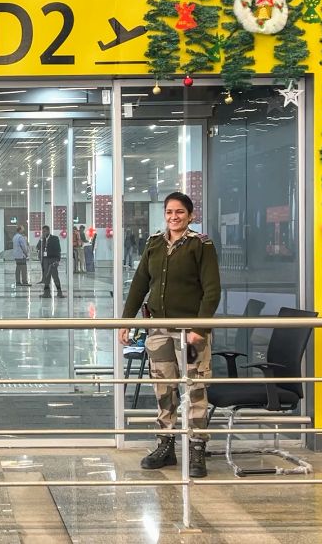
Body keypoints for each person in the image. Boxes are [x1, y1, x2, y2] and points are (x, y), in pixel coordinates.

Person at [117, 192, 221, 478]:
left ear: (190, 215)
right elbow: (140, 284)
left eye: (180, 212)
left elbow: (212, 290)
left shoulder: (201, 245)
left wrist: (199, 329)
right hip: (158, 329)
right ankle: (166, 445)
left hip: (190, 331)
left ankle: (197, 448)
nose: (174, 217)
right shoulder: (154, 244)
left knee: (195, 387)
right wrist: (126, 322)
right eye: (169, 212)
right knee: (163, 389)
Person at [40, 225, 64, 298]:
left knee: (55, 276)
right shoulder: (43, 239)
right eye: (42, 232)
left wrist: (57, 260)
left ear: (48, 231)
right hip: (45, 260)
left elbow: (58, 250)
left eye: (44, 231)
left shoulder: (54, 238)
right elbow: (39, 247)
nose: (43, 233)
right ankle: (46, 293)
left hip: (53, 259)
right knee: (46, 277)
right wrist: (41, 240)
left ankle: (59, 292)